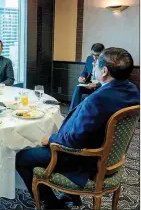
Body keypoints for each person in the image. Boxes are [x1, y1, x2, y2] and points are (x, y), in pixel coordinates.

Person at [16, 47, 139, 209]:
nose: (92, 67)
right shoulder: (132, 90)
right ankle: (71, 196)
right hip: (109, 155)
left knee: (22, 158)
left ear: (104, 71)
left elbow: (75, 140)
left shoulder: (98, 100)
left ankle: (52, 204)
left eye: (95, 65)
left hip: (83, 158)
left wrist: (51, 139)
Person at [69, 43, 105, 111]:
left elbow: (109, 81)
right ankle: (72, 112)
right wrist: (82, 76)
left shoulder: (106, 62)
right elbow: (85, 71)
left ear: (103, 53)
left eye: (97, 55)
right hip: (89, 84)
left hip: (100, 87)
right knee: (78, 88)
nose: (94, 57)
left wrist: (96, 85)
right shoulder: (89, 58)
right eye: (93, 54)